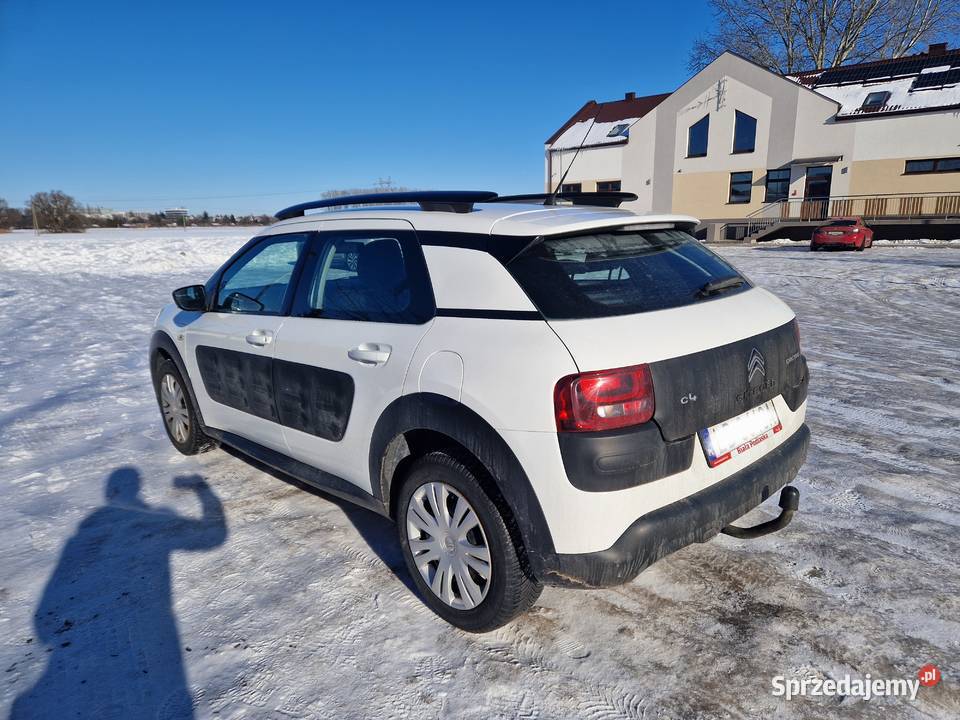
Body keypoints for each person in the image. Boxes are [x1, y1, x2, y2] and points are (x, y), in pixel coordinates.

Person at [11, 468, 227, 720]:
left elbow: (50, 602)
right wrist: (202, 489)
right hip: (149, 628)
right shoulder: (141, 521)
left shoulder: (91, 526)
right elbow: (212, 535)